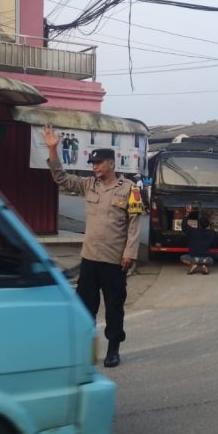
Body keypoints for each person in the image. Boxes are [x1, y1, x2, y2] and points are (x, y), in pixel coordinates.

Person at [42, 125, 143, 368]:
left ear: (111, 163)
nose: (95, 167)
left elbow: (134, 224)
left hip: (114, 261)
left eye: (99, 163)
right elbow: (61, 179)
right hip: (89, 258)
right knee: (85, 308)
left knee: (114, 308)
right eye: (93, 164)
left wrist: (129, 254)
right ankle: (85, 350)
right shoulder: (89, 185)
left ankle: (113, 349)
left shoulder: (130, 190)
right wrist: (53, 150)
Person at [181, 207, 215, 275]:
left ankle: (194, 265)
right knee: (211, 260)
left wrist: (187, 213)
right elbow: (212, 230)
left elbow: (184, 226)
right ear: (208, 225)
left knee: (182, 258)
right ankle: (204, 266)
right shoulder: (211, 233)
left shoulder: (193, 231)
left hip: (194, 258)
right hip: (206, 259)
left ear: (199, 225)